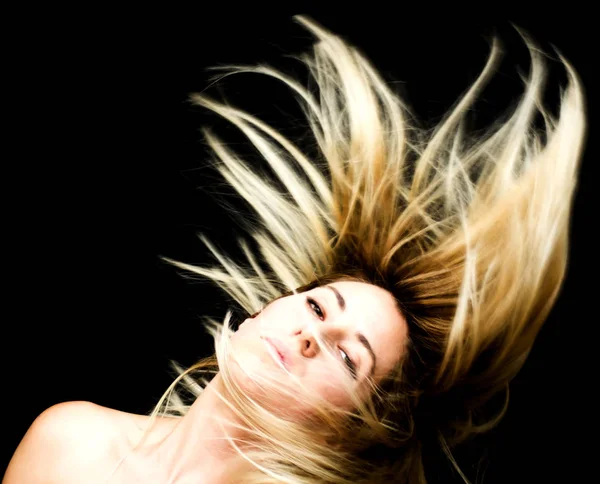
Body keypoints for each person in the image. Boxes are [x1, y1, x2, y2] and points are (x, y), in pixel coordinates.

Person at [4, 15, 586, 484]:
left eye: (348, 357)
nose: (312, 336)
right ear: (269, 307)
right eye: (315, 307)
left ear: (353, 428)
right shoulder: (69, 438)